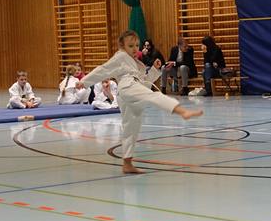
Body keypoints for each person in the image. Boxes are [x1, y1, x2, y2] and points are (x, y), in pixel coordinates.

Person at [78, 30, 202, 174]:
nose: (135, 48)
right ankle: (182, 111)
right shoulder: (121, 56)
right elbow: (103, 69)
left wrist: (155, 69)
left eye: (137, 45)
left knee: (131, 129)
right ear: (122, 46)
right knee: (154, 96)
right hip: (127, 86)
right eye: (130, 46)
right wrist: (84, 82)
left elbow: (145, 82)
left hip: (128, 93)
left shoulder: (135, 62)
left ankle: (127, 164)